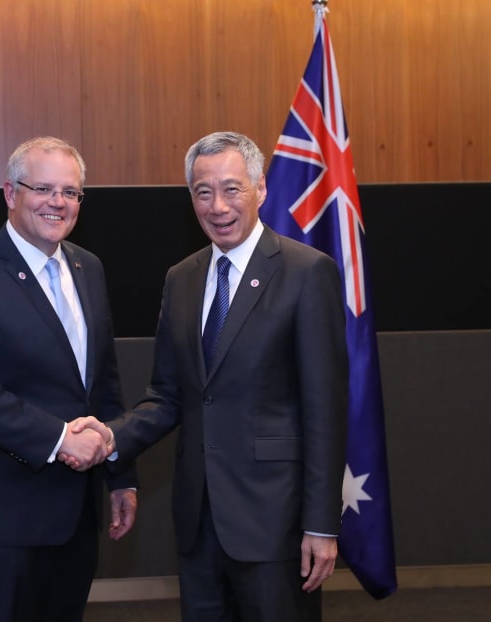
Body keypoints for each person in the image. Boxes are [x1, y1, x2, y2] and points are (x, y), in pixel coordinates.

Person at [67, 131, 348, 621]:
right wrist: (112, 436)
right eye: (203, 192)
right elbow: (167, 395)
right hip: (199, 522)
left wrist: (321, 524)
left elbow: (326, 410)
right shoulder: (183, 278)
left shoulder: (307, 273)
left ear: (261, 189)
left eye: (232, 188)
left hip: (274, 522)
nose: (218, 206)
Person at [0, 136, 138, 622]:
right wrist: (60, 437)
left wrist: (119, 474)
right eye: (42, 188)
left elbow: (102, 381)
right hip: (1, 512)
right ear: (9, 193)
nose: (57, 202)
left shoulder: (89, 268)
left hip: (75, 511)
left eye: (70, 192)